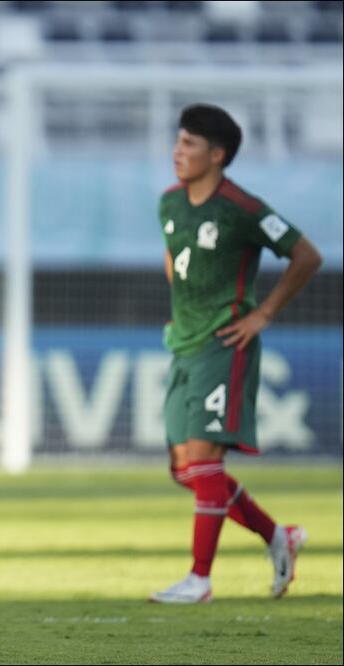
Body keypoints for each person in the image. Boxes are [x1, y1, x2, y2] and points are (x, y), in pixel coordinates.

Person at [150, 104, 323, 604]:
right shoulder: (169, 203)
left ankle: (199, 579)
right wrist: (183, 309)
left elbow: (306, 255)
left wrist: (262, 313)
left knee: (204, 461)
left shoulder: (242, 208)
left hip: (226, 343)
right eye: (178, 142)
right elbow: (175, 258)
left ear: (217, 155)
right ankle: (277, 536)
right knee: (185, 469)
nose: (177, 152)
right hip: (184, 342)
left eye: (189, 145)